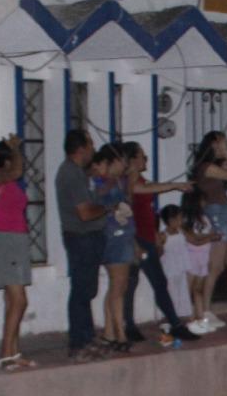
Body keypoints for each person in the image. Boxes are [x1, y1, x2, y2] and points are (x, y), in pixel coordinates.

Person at [118, 141, 198, 345]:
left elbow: (147, 204)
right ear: (133, 160)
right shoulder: (128, 182)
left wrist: (155, 234)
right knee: (140, 283)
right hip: (136, 240)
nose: (145, 159)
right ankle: (141, 325)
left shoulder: (139, 179)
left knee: (153, 283)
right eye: (142, 156)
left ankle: (163, 324)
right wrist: (175, 185)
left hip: (146, 237)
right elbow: (141, 191)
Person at [0, 135, 35, 370]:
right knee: (20, 301)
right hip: (6, 241)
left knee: (12, 300)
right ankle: (5, 353)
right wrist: (16, 150)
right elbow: (17, 171)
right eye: (14, 157)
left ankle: (13, 352)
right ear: (7, 160)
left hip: (14, 241)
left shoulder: (5, 182)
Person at [56, 129, 108, 361]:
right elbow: (85, 212)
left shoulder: (78, 173)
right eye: (90, 145)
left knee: (87, 289)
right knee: (80, 290)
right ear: (80, 149)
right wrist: (107, 209)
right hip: (81, 237)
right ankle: (78, 342)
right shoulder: (70, 174)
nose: (93, 149)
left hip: (87, 237)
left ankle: (87, 337)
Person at [190, 130, 227, 332]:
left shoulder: (215, 166)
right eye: (222, 143)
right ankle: (205, 310)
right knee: (216, 267)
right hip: (216, 216)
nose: (225, 146)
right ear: (213, 145)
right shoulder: (206, 167)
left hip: (224, 216)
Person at [90, 145, 135, 354]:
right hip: (113, 239)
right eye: (121, 161)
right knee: (118, 287)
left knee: (118, 286)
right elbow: (97, 199)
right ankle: (120, 333)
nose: (124, 165)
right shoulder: (102, 183)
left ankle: (110, 332)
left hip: (123, 238)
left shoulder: (120, 182)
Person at [178, 192, 222, 333]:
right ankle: (190, 320)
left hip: (203, 257)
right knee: (188, 290)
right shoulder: (184, 220)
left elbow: (202, 236)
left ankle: (201, 319)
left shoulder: (203, 218)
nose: (205, 202)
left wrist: (210, 236)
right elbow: (194, 240)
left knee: (198, 290)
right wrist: (211, 237)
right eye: (202, 200)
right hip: (190, 258)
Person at [158, 204, 194, 321]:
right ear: (171, 220)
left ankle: (183, 316)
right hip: (169, 269)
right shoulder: (163, 235)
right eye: (179, 218)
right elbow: (159, 252)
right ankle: (170, 318)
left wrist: (208, 237)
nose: (181, 221)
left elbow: (194, 240)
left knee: (182, 293)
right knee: (171, 294)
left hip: (181, 268)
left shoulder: (181, 232)